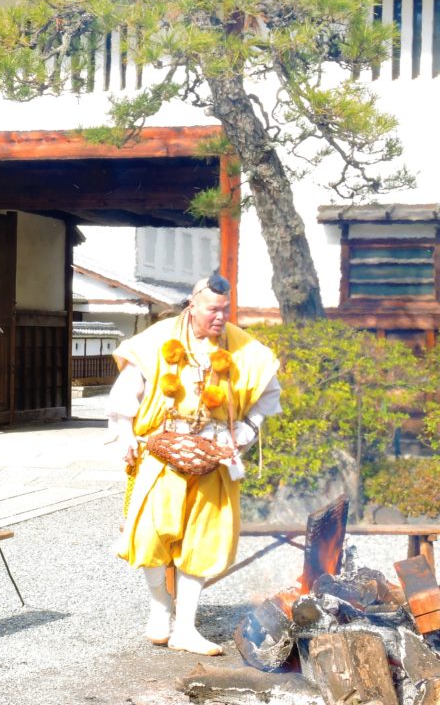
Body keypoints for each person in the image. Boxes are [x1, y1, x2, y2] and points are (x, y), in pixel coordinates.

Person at [108, 272, 281, 656]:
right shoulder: (158, 340)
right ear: (193, 305)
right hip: (161, 450)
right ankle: (159, 609)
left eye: (225, 310)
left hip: (214, 453)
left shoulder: (241, 346)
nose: (220, 317)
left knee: (203, 541)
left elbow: (270, 391)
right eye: (212, 309)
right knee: (150, 533)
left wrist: (247, 430)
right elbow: (126, 391)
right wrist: (124, 437)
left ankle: (185, 627)